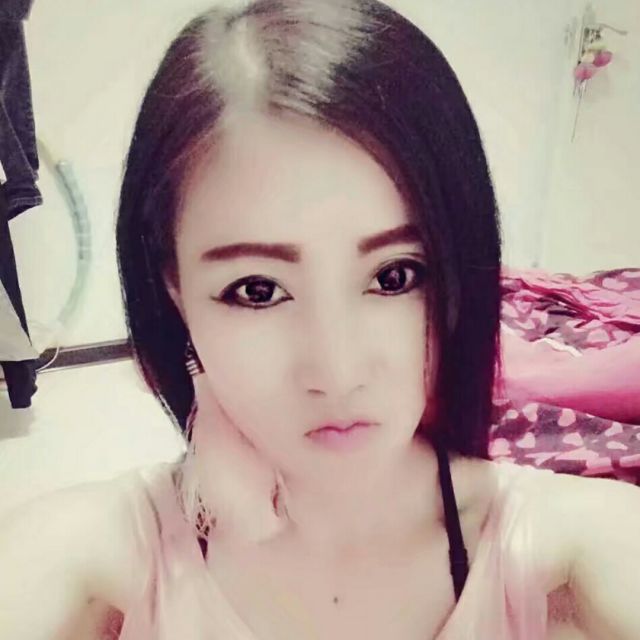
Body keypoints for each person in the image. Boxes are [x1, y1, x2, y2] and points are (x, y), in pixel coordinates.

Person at [1, 1, 639, 639]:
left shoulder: (566, 553)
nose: (337, 371)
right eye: (257, 290)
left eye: (395, 276)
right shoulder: (93, 561)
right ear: (174, 290)